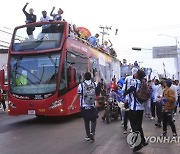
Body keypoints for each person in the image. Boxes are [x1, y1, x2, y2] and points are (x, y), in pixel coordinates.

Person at [69, 72, 98, 142]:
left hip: (84, 106)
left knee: (86, 121)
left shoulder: (81, 85)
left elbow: (77, 95)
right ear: (91, 77)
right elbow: (97, 81)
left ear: (84, 77)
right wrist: (97, 75)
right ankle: (92, 132)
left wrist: (72, 104)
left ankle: (88, 135)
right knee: (94, 120)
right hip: (92, 106)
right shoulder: (94, 84)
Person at [124, 69, 148, 152]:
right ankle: (143, 141)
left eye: (136, 72)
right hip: (141, 107)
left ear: (137, 75)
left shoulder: (135, 81)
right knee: (138, 125)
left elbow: (130, 89)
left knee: (134, 127)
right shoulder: (143, 82)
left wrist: (123, 93)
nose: (135, 73)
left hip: (134, 108)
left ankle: (138, 144)